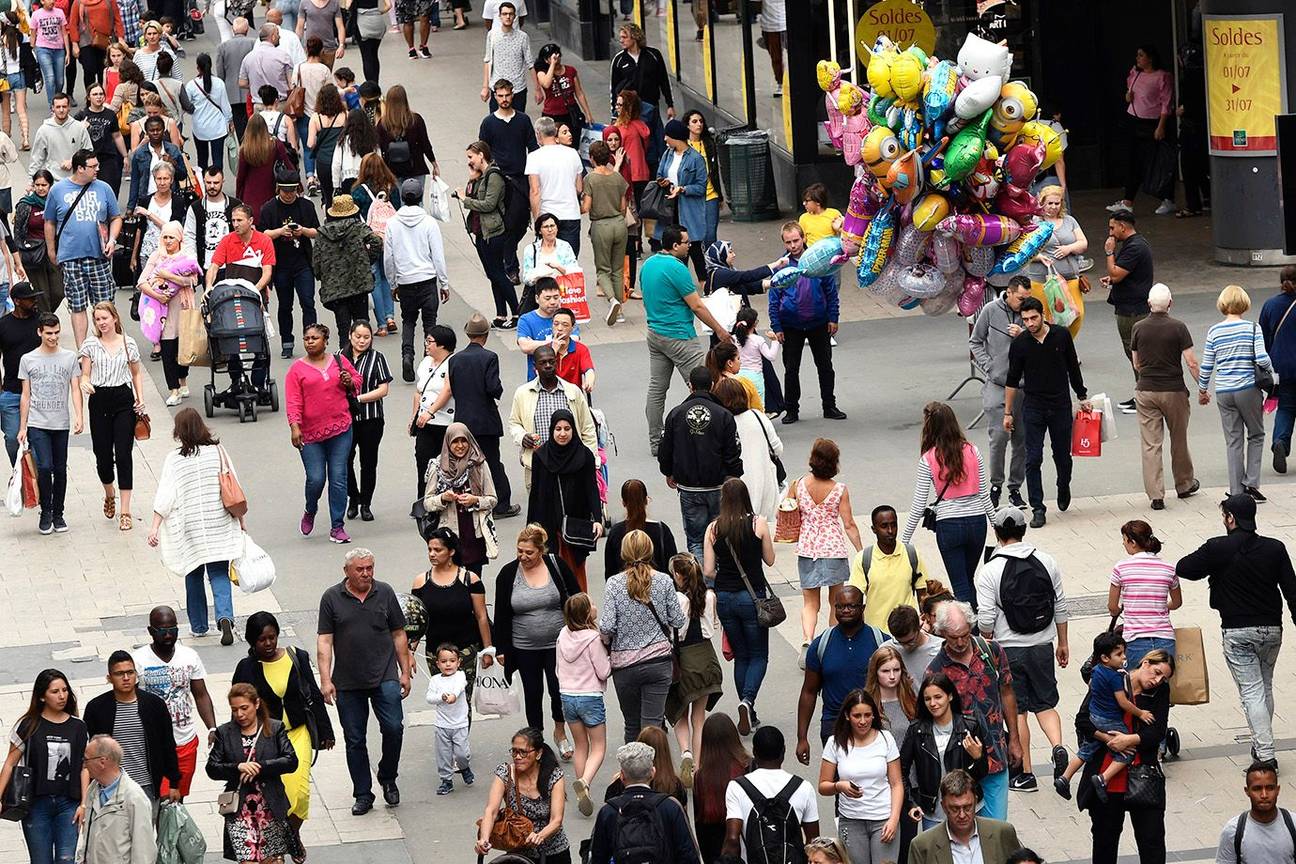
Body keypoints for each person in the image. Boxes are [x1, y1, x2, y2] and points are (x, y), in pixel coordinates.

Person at [1177, 494, 1296, 770]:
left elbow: (1185, 568)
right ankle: (1260, 744)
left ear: (1230, 518)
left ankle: (1265, 755)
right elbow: (1292, 590)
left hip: (1237, 631)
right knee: (1264, 687)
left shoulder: (1217, 548)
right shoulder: (1274, 548)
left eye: (1224, 516)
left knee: (1252, 692)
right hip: (1271, 630)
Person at [975, 505, 1070, 794]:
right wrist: (1062, 642)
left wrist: (987, 644)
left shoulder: (990, 570)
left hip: (1008, 650)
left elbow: (986, 618)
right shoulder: (1046, 561)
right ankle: (1058, 747)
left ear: (997, 533)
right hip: (1042, 644)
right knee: (1046, 704)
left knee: (1018, 711)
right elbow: (1061, 605)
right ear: (1024, 530)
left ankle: (1026, 773)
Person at [232, 611, 335, 853]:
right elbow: (238, 708)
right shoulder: (246, 668)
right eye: (261, 640)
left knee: (298, 794)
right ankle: (279, 843)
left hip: (298, 733)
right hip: (266, 740)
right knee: (274, 797)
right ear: (251, 641)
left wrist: (325, 731)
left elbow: (314, 696)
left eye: (272, 637)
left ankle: (291, 834)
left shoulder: (297, 657)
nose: (268, 644)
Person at [317, 548, 410, 815]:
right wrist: (325, 679)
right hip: (347, 682)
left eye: (370, 568)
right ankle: (362, 793)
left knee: (394, 727)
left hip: (384, 675)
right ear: (346, 571)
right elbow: (325, 640)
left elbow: (398, 634)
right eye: (360, 569)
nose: (366, 574)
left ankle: (388, 775)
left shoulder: (385, 592)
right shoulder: (331, 598)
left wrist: (404, 671)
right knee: (355, 739)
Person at [1073, 650, 1174, 864]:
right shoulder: (1109, 679)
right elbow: (1083, 720)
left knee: (1152, 843)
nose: (1157, 681)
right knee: (1104, 845)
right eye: (1156, 673)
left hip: (1144, 777)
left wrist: (1129, 740)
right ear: (1145, 663)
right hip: (1106, 780)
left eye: (1163, 678)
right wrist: (1108, 739)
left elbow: (1156, 732)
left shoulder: (1160, 692)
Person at [925, 601, 1021, 820]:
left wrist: (1014, 738)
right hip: (959, 763)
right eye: (953, 637)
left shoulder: (992, 650)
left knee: (995, 827)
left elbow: (1007, 692)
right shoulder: (935, 670)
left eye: (964, 635)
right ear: (941, 633)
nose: (960, 642)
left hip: (995, 754)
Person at [644, 226, 733, 453]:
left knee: (657, 389)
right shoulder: (677, 268)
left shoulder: (647, 265)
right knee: (705, 385)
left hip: (655, 333)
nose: (689, 245)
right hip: (680, 335)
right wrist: (720, 331)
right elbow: (696, 305)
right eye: (686, 242)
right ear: (675, 246)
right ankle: (708, 434)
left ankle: (656, 441)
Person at [1004, 295, 1090, 528]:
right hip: (1033, 407)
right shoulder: (1020, 344)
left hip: (1060, 405)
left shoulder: (1061, 335)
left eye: (1034, 318)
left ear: (1043, 316)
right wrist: (1008, 412)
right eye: (1025, 320)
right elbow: (1012, 380)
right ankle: (1038, 508)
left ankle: (1064, 485)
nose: (1030, 323)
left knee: (1062, 456)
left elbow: (1073, 367)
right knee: (1033, 458)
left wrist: (1082, 396)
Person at [494, 523, 581, 748]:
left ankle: (560, 733)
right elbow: (501, 613)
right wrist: (501, 648)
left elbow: (576, 596)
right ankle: (537, 739)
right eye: (519, 551)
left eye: (529, 552)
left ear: (541, 551)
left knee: (557, 690)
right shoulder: (508, 574)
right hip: (524, 646)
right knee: (533, 693)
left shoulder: (556, 565)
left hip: (558, 644)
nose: (523, 556)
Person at [899, 402, 993, 606]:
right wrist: (998, 526)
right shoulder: (973, 451)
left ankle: (969, 633)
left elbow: (918, 505)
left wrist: (903, 541)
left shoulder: (928, 459)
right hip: (977, 522)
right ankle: (981, 627)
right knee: (968, 581)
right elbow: (984, 493)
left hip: (949, 525)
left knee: (960, 586)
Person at [703, 477, 775, 733]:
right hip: (751, 597)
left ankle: (749, 711)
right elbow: (770, 560)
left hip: (725, 597)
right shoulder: (758, 523)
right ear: (746, 497)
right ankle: (748, 701)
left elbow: (708, 570)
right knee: (759, 655)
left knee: (741, 656)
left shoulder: (713, 529)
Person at [600, 528, 685, 743]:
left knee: (631, 725)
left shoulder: (614, 584)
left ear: (624, 553)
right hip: (658, 662)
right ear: (650, 550)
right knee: (653, 725)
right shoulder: (664, 581)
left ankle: (633, 773)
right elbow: (678, 620)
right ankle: (656, 772)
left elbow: (608, 625)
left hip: (625, 666)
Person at [0, 669, 88, 864]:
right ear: (42, 696)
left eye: (65, 690)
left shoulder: (78, 727)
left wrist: (84, 803)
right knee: (41, 860)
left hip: (69, 803)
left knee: (66, 859)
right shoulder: (28, 725)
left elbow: (84, 766)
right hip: (35, 804)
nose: (62, 696)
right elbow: (10, 763)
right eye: (55, 691)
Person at [206, 684, 299, 863]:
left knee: (271, 860)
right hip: (239, 807)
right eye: (234, 710)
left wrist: (260, 766)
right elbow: (212, 767)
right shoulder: (225, 732)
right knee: (247, 859)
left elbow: (291, 760)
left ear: (256, 704)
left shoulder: (275, 727)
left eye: (244, 708)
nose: (239, 714)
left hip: (270, 804)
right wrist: (237, 767)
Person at [132, 605, 216, 801]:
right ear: (151, 631)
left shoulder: (189, 656)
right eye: (162, 630)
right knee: (163, 799)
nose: (168, 635)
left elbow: (201, 694)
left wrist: (212, 727)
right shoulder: (138, 660)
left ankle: (169, 832)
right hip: (154, 744)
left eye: (173, 629)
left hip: (185, 742)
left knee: (177, 800)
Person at [658, 366, 742, 559]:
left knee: (696, 539)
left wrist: (668, 471)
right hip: (718, 485)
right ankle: (720, 579)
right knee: (721, 536)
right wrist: (733, 474)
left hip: (689, 487)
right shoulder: (723, 415)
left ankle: (703, 582)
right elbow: (734, 450)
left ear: (690, 386)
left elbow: (665, 449)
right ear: (712, 385)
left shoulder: (676, 414)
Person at [1130, 282, 1201, 507]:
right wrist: (1202, 385)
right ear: (1170, 303)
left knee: (1151, 444)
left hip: (1146, 389)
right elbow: (1191, 362)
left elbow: (1136, 362)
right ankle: (1184, 484)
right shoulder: (1178, 327)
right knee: (1179, 439)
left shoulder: (1138, 327)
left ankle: (1156, 495)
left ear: (1149, 303)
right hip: (1173, 390)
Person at [1199, 284, 1273, 500]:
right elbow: (1261, 358)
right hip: (1248, 388)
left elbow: (1206, 365)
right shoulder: (1252, 328)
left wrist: (1203, 389)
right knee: (1256, 434)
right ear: (1244, 303)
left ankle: (1235, 491)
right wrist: (1270, 369)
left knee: (1233, 440)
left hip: (1224, 390)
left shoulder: (1214, 331)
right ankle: (1251, 482)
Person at [1055, 632, 1149, 801]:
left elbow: (1092, 685)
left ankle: (1064, 778)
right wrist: (1140, 713)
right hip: (1110, 720)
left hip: (1094, 716)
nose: (1124, 657)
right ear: (1105, 657)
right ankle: (1103, 779)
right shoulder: (1115, 676)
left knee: (1085, 750)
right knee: (1127, 751)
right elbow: (1123, 702)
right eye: (1119, 654)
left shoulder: (1096, 670)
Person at [408, 527, 497, 706]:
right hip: (435, 653)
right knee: (443, 699)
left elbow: (481, 616)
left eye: (438, 550)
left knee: (463, 699)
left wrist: (488, 650)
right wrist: (410, 651)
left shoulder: (470, 579)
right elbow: (416, 621)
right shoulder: (420, 581)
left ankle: (462, 735)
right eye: (429, 549)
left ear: (451, 552)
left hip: (465, 651)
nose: (432, 554)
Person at [789, 437, 862, 653]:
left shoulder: (798, 484)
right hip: (833, 549)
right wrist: (860, 550)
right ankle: (833, 643)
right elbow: (848, 524)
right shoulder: (839, 489)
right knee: (836, 601)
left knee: (810, 602)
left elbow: (784, 511)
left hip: (807, 549)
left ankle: (807, 638)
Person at [45, 150, 121, 348]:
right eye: (93, 166)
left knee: (104, 304)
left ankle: (108, 345)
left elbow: (115, 217)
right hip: (71, 257)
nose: (98, 169)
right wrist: (51, 250)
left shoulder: (103, 188)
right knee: (77, 305)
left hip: (99, 256)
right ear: (80, 168)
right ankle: (83, 349)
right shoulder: (58, 190)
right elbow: (50, 222)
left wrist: (112, 239)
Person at [769, 221, 844, 424]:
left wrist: (833, 318)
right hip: (791, 325)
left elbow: (831, 292)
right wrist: (776, 325)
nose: (793, 245)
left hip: (819, 323)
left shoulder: (819, 261)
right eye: (788, 242)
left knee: (825, 367)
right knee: (791, 370)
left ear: (803, 238)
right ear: (784, 243)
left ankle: (829, 405)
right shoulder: (781, 266)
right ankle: (792, 409)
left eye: (796, 240)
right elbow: (774, 297)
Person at [796, 584, 884, 753]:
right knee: (836, 779)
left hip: (872, 723)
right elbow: (809, 691)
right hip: (833, 725)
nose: (846, 610)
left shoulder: (880, 641)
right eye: (840, 606)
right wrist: (802, 738)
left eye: (851, 606)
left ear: (862, 608)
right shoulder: (820, 645)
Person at [78, 301, 142, 531]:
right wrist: (85, 383)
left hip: (123, 399)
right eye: (97, 319)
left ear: (114, 318)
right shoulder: (91, 345)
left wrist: (139, 398)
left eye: (105, 318)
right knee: (103, 456)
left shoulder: (128, 343)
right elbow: (84, 374)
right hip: (99, 399)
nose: (101, 323)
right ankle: (109, 492)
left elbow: (136, 372)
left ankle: (125, 511)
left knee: (124, 454)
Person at [818, 689, 902, 864]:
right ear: (848, 716)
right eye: (857, 716)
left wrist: (894, 819)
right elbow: (823, 786)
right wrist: (839, 786)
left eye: (867, 715)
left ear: (874, 715)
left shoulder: (886, 739)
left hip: (883, 818)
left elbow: (896, 783)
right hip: (851, 821)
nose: (863, 721)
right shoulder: (835, 743)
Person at [17, 314, 83, 534]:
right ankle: (46, 511)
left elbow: (75, 388)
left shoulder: (69, 357)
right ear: (40, 333)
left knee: (60, 469)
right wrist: (22, 426)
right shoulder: (28, 359)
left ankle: (58, 514)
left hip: (61, 422)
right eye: (48, 333)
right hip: (37, 422)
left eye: (56, 333)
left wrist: (79, 416)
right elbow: (25, 395)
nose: (53, 337)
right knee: (44, 467)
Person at [84, 651, 181, 800]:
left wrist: (174, 783)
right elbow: (89, 751)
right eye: (119, 674)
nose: (126, 678)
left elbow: (167, 744)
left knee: (146, 823)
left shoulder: (154, 705)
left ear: (136, 674)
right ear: (109, 678)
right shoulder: (96, 708)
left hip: (147, 785)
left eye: (130, 672)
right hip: (109, 785)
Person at [900, 674, 989, 830]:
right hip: (933, 813)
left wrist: (978, 758)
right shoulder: (917, 730)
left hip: (966, 809)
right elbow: (901, 770)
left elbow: (981, 774)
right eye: (928, 699)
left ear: (950, 696)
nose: (933, 703)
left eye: (938, 697)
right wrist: (911, 803)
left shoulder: (969, 726)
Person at [970, 277, 1029, 509]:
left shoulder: (1030, 312)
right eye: (1021, 299)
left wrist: (1022, 333)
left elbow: (1043, 335)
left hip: (1024, 386)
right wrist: (989, 366)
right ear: (1010, 293)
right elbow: (975, 341)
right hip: (998, 383)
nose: (1024, 304)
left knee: (1022, 440)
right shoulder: (990, 310)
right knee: (998, 439)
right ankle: (995, 486)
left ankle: (1015, 488)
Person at [589, 741, 700, 864]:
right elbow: (688, 855)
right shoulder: (670, 807)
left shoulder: (609, 811)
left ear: (622, 776)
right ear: (652, 772)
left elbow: (598, 857)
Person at [527, 409, 602, 592]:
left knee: (576, 573)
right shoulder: (541, 456)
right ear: (552, 430)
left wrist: (598, 520)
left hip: (576, 524)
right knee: (550, 571)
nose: (562, 433)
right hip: (548, 524)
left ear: (573, 430)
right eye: (558, 428)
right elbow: (535, 493)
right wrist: (530, 526)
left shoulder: (584, 456)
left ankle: (580, 613)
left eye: (567, 428)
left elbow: (592, 488)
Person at [450, 314, 518, 517]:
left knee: (465, 462)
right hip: (485, 420)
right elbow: (493, 387)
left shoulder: (455, 360)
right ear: (485, 335)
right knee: (492, 462)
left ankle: (468, 499)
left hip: (463, 420)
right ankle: (501, 504)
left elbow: (453, 387)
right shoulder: (489, 357)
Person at [385, 178, 450, 382]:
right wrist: (444, 282)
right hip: (427, 279)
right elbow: (438, 255)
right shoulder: (429, 222)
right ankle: (426, 360)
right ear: (421, 196)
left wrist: (393, 282)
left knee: (408, 320)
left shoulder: (392, 223)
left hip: (405, 281)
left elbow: (389, 257)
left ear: (402, 197)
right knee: (429, 323)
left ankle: (407, 355)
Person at [507, 344, 597, 490]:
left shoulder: (572, 391)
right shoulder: (522, 393)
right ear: (534, 366)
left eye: (551, 361)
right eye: (543, 362)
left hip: (572, 464)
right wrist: (522, 437)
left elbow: (587, 428)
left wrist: (591, 459)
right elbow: (514, 423)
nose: (548, 365)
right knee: (541, 510)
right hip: (538, 465)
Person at [723, 726, 819, 861]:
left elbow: (732, 839)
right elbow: (813, 840)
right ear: (784, 751)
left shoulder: (737, 787)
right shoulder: (803, 787)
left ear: (754, 753)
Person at [475, 727, 571, 863]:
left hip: (554, 851)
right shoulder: (505, 773)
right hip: (518, 854)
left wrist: (539, 836)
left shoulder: (553, 775)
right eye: (514, 751)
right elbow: (491, 811)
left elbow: (556, 820)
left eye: (523, 752)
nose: (517, 757)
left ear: (538, 754)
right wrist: (483, 840)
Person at [206, 204, 274, 392]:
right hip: (231, 300)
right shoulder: (227, 241)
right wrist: (209, 287)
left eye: (239, 220)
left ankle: (258, 384)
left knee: (259, 343)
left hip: (255, 300)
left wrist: (255, 290)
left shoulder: (264, 241)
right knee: (230, 341)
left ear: (251, 221)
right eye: (233, 220)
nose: (235, 224)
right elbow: (214, 266)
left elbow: (267, 272)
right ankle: (237, 380)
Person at [665, 553, 722, 776]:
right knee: (699, 719)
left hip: (684, 660)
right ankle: (697, 767)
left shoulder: (678, 600)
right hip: (707, 659)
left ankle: (685, 752)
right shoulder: (709, 596)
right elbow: (712, 627)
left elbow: (673, 630)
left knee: (680, 712)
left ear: (679, 576)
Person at [556, 592, 610, 815]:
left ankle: (581, 785)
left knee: (580, 746)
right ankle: (585, 782)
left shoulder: (562, 635)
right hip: (590, 696)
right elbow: (603, 671)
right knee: (598, 746)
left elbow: (558, 670)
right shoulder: (593, 639)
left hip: (567, 696)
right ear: (587, 612)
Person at [1107, 45, 1174, 216]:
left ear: (1150, 58)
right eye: (1137, 55)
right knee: (1133, 161)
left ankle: (1168, 198)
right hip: (1133, 120)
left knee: (1157, 162)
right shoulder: (1135, 74)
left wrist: (1161, 126)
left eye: (1141, 55)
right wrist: (1127, 97)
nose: (1138, 58)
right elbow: (1129, 93)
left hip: (1152, 122)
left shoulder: (1162, 76)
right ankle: (1128, 201)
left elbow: (1166, 103)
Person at [261, 169, 321, 358]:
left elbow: (317, 232)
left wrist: (302, 230)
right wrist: (280, 232)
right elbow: (262, 234)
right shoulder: (269, 208)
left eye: (292, 190)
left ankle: (311, 339)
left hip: (303, 261)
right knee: (285, 305)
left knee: (308, 302)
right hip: (280, 265)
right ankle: (287, 341)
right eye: (285, 190)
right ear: (278, 188)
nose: (288, 194)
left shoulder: (306, 206)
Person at [423, 426, 499, 573]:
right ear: (447, 443)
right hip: (449, 535)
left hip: (473, 533)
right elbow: (427, 503)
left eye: (464, 441)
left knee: (474, 579)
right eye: (455, 442)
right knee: (450, 579)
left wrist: (475, 500)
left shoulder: (479, 464)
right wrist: (443, 498)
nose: (460, 446)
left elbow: (492, 499)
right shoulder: (437, 467)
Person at [460, 140, 520, 327]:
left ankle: (517, 313)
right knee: (492, 274)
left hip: (494, 231)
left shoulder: (494, 176)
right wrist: (472, 178)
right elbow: (474, 195)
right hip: (481, 232)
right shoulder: (481, 176)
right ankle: (501, 314)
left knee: (499, 273)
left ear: (481, 155)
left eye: (471, 157)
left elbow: (488, 204)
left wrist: (464, 199)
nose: (469, 161)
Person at [907, 769, 1022, 864]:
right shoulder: (922, 846)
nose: (962, 815)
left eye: (967, 807)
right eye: (955, 809)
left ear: (976, 802)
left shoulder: (1002, 833)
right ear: (943, 806)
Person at [1109, 520, 1181, 669]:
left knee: (1136, 687)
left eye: (1124, 540)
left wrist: (1119, 610)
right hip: (1165, 638)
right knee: (1161, 686)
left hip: (1135, 640)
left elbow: (1112, 607)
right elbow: (1177, 603)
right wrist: (1162, 606)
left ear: (1132, 542)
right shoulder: (1169, 569)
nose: (1123, 544)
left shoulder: (1120, 568)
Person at [1102, 210, 1155, 408]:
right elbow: (1124, 275)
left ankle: (1145, 396)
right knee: (1136, 352)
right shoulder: (1136, 244)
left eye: (1112, 227)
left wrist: (1109, 252)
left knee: (1135, 352)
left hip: (1131, 310)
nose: (1110, 232)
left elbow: (1116, 275)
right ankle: (1143, 392)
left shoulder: (1134, 248)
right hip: (1132, 306)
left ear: (1122, 227)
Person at [78, 736, 158, 864]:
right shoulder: (92, 789)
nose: (83, 765)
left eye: (86, 760)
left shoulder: (134, 796)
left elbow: (144, 850)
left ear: (102, 762)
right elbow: (87, 836)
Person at [848, 505, 927, 630]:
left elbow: (922, 593)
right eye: (884, 526)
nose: (890, 530)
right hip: (876, 633)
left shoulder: (912, 554)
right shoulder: (863, 559)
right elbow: (854, 598)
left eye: (894, 525)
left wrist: (925, 623)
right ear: (874, 529)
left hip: (908, 632)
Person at [714, 377, 781, 524]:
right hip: (765, 485)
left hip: (734, 491)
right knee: (765, 531)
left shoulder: (721, 423)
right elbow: (777, 448)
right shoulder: (759, 417)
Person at [342, 320, 390, 522]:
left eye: (366, 337)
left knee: (369, 462)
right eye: (358, 336)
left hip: (371, 417)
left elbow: (383, 389)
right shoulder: (338, 357)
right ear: (350, 336)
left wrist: (359, 399)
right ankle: (353, 497)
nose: (362, 341)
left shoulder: (377, 358)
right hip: (344, 419)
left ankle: (366, 503)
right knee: (344, 460)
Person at [1025, 185, 1088, 338]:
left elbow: (1083, 243)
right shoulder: (1034, 223)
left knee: (1076, 315)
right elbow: (1023, 250)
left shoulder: (1069, 221)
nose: (1053, 207)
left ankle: (1066, 346)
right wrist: (1039, 257)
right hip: (1042, 279)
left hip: (1070, 277)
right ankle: (1050, 351)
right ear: (1042, 203)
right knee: (1047, 318)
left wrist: (1069, 248)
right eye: (1050, 203)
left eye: (1057, 203)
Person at [609, 24, 673, 170]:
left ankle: (656, 168)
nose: (621, 40)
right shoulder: (619, 60)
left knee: (655, 139)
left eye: (625, 37)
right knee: (633, 142)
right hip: (628, 111)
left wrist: (670, 104)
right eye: (620, 37)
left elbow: (663, 80)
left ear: (635, 37)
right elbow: (613, 88)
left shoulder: (653, 55)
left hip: (650, 106)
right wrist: (614, 112)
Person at [313, 194, 375, 341]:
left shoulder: (322, 233)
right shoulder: (358, 227)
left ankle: (345, 361)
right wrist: (368, 261)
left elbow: (316, 261)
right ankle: (365, 360)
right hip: (359, 284)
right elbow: (376, 241)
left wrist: (321, 275)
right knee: (362, 326)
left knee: (343, 329)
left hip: (336, 289)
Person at [653, 119, 708, 277]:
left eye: (667, 136)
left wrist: (683, 189)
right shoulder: (668, 154)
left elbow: (701, 187)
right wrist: (662, 181)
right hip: (670, 206)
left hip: (688, 208)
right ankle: (679, 280)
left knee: (694, 246)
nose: (664, 139)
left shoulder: (695, 159)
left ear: (675, 137)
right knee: (674, 247)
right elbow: (660, 173)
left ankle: (704, 284)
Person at [582, 140, 628, 325]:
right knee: (617, 269)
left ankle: (612, 300)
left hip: (601, 226)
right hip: (619, 224)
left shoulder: (590, 178)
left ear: (592, 158)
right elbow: (623, 206)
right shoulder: (617, 178)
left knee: (603, 270)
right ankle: (621, 313)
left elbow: (587, 207)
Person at [693, 713, 749, 862]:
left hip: (715, 846)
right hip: (746, 841)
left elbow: (700, 824)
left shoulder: (700, 777)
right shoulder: (747, 767)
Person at [411, 323, 456, 503]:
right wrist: (414, 416)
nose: (426, 344)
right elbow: (419, 391)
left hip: (445, 421)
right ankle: (423, 500)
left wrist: (430, 412)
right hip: (424, 422)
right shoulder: (425, 362)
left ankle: (445, 498)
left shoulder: (452, 363)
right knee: (422, 461)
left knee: (446, 464)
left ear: (442, 345)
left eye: (430, 341)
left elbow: (448, 391)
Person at [1216, 762, 1295, 864]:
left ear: (1277, 790)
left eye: (1270, 788)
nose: (1264, 795)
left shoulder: (1293, 824)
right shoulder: (1233, 831)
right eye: (1257, 789)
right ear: (1247, 791)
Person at [0, 284, 42, 465]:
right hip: (12, 392)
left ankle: (37, 483)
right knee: (12, 438)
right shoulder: (3, 325)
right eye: (30, 298)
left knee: (39, 442)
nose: (34, 301)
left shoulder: (41, 321)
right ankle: (22, 476)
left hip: (40, 393)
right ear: (17, 301)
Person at [1260, 266, 1296, 474]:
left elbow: (1264, 338)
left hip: (1280, 366)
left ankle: (1280, 441)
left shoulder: (1270, 305)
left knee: (1285, 407)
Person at [604, 478, 679, 576]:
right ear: (646, 500)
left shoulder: (616, 532)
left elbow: (610, 570)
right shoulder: (661, 530)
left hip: (625, 588)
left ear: (623, 503)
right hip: (658, 587)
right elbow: (672, 565)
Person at [424, 643, 472, 796]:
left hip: (460, 724)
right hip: (442, 725)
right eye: (444, 661)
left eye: (452, 660)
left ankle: (464, 767)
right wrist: (441, 697)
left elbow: (459, 687)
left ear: (458, 662)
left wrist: (453, 696)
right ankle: (446, 780)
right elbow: (429, 698)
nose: (448, 664)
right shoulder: (435, 680)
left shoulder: (460, 676)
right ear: (437, 664)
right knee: (443, 754)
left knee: (462, 754)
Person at [16, 173, 66, 315]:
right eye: (37, 185)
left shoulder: (57, 203)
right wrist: (18, 258)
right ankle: (46, 324)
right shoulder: (25, 204)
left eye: (44, 185)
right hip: (33, 254)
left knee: (59, 291)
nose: (40, 188)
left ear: (50, 186)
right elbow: (18, 232)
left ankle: (43, 317)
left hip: (54, 252)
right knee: (41, 294)